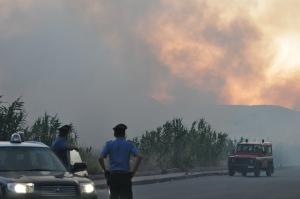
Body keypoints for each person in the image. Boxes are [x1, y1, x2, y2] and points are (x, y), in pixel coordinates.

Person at [99, 123, 142, 199]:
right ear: (124, 133)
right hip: (125, 176)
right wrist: (133, 172)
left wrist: (105, 170)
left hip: (113, 176)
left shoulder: (109, 144)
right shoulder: (129, 144)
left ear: (115, 134)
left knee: (114, 196)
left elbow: (100, 158)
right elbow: (139, 157)